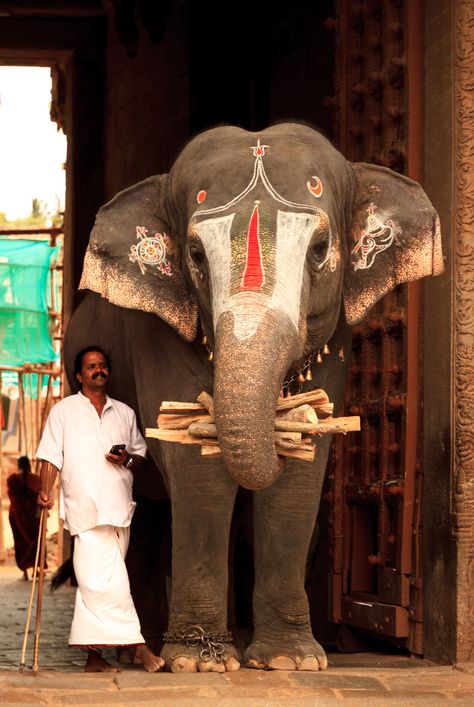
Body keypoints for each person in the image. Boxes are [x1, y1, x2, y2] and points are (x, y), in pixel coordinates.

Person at [36, 345, 164, 673]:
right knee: (112, 583)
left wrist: (125, 459)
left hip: (119, 510)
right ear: (79, 375)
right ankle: (139, 647)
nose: (99, 370)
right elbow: (50, 456)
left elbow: (139, 456)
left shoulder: (124, 413)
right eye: (92, 366)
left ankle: (94, 657)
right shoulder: (63, 411)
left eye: (103, 365)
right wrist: (44, 492)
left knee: (96, 588)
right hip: (84, 511)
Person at [7, 455, 43, 580]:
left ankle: (25, 573)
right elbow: (41, 498)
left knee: (20, 544)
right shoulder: (37, 479)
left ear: (18, 465)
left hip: (17, 518)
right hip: (34, 518)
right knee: (35, 542)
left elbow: (13, 501)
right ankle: (36, 570)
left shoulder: (12, 480)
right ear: (29, 465)